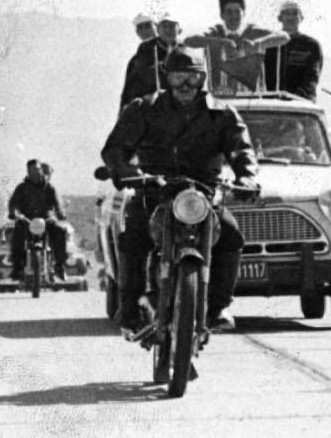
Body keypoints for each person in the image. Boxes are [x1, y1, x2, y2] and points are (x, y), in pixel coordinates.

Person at [101, 49, 258, 336]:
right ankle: (131, 307)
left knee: (231, 235)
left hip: (202, 194)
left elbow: (241, 149)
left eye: (192, 77)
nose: (185, 85)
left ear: (203, 79)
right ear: (166, 77)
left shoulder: (221, 112)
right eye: (178, 77)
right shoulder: (143, 108)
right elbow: (115, 149)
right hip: (155, 191)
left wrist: (247, 177)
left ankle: (219, 306)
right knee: (133, 237)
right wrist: (128, 173)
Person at [183, 0, 287, 94]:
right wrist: (222, 43)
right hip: (221, 99)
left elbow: (284, 36)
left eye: (237, 11)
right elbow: (188, 40)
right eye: (229, 12)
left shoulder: (253, 31)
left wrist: (258, 43)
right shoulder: (215, 32)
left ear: (244, 13)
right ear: (222, 15)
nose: (233, 16)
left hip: (254, 99)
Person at [7, 158, 71, 283]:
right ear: (28, 172)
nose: (34, 172)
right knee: (17, 232)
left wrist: (60, 213)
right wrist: (13, 213)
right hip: (27, 220)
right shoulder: (21, 188)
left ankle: (59, 266)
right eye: (31, 170)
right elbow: (13, 203)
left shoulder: (49, 187)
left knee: (60, 230)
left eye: (37, 169)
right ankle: (18, 268)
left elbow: (58, 202)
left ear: (41, 170)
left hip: (46, 219)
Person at [263, 1, 323, 100]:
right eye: (286, 13)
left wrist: (298, 96)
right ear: (280, 18)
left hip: (301, 103)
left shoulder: (312, 45)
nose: (291, 17)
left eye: (295, 13)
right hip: (270, 102)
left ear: (301, 18)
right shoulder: (267, 44)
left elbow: (312, 76)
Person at [120, 16, 181, 110]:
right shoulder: (142, 52)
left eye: (148, 26)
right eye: (140, 27)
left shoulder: (184, 48)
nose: (144, 31)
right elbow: (132, 87)